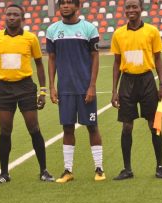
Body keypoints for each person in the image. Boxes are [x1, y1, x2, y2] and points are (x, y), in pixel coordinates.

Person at [0, 4, 54, 184]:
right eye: (8, 14)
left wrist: (42, 90)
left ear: (22, 18)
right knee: (5, 130)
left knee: (34, 128)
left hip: (25, 87)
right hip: (4, 88)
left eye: (15, 15)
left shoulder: (30, 38)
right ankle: (4, 173)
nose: (11, 17)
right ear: (5, 17)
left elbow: (39, 64)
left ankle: (44, 171)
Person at [46, 0, 105, 183]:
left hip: (84, 88)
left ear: (77, 6)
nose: (65, 6)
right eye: (62, 3)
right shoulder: (52, 30)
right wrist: (52, 86)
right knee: (67, 127)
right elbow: (52, 59)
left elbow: (95, 58)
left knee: (92, 127)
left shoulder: (89, 29)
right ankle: (68, 170)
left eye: (69, 3)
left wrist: (92, 85)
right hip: (65, 89)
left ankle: (99, 169)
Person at [110, 0, 162, 180]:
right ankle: (127, 169)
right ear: (124, 11)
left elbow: (158, 59)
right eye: (128, 7)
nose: (131, 10)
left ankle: (160, 167)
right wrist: (114, 90)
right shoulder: (118, 34)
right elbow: (117, 62)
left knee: (154, 125)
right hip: (127, 82)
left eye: (134, 6)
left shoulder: (152, 31)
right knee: (127, 126)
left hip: (147, 81)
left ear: (141, 9)